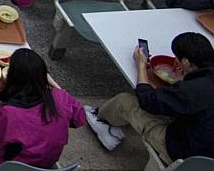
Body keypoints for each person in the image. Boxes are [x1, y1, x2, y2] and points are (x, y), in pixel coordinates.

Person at [90, 32, 214, 163]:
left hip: (184, 154)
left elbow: (147, 100)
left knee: (125, 101)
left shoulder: (193, 90)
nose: (176, 61)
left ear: (186, 61)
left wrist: (141, 66)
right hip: (207, 153)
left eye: (177, 58)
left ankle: (100, 121)